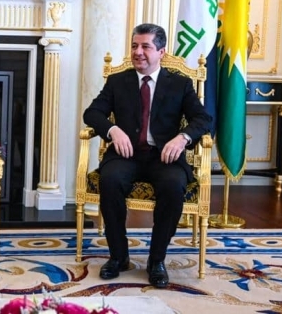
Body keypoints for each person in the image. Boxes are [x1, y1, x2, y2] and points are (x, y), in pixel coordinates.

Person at [83, 23, 211, 288]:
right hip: (126, 155)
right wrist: (113, 130)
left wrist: (182, 137)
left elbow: (203, 119)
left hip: (163, 157)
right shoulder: (118, 81)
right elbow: (92, 113)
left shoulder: (180, 84)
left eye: (145, 46)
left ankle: (156, 260)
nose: (138, 52)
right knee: (110, 180)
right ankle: (119, 257)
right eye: (134, 46)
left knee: (173, 185)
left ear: (161, 52)